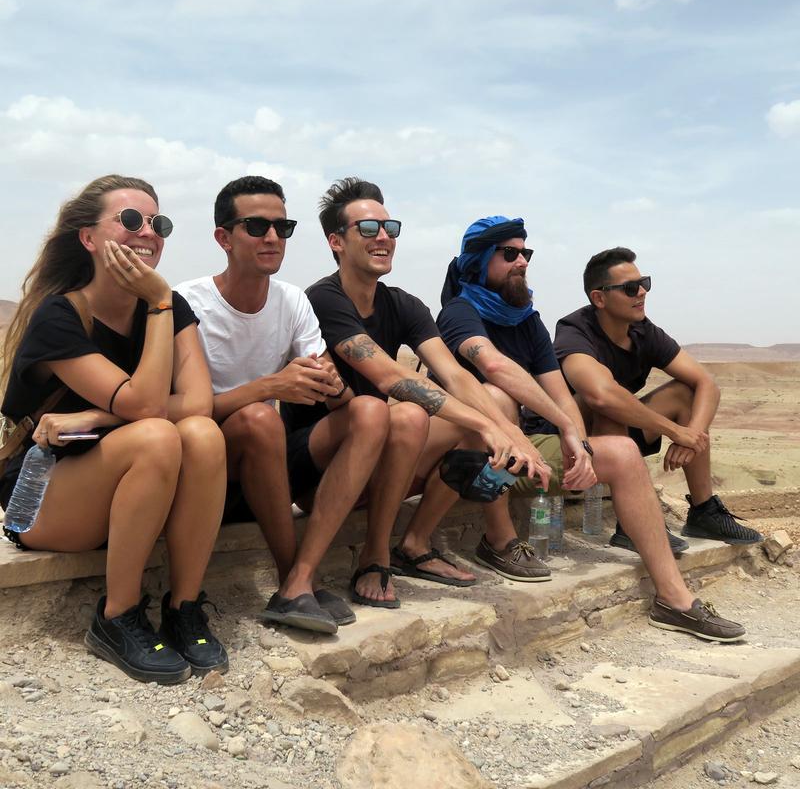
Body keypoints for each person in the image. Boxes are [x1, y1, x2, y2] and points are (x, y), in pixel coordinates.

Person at [396, 215, 745, 642]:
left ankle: (675, 600)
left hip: (515, 452)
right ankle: (499, 540)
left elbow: (560, 392)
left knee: (622, 451)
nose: (521, 261)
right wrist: (548, 429)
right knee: (497, 399)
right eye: (509, 254)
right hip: (461, 455)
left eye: (525, 252)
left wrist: (578, 442)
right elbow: (493, 365)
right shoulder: (459, 313)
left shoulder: (527, 319)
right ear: (480, 261)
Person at [0, 175, 228, 683]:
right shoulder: (60, 315)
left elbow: (199, 404)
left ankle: (183, 607)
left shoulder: (166, 309)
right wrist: (161, 302)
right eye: (129, 220)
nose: (146, 232)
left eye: (157, 223)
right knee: (158, 435)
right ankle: (116, 617)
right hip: (40, 498)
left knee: (203, 436)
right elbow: (147, 407)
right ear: (88, 238)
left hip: (123, 486)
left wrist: (98, 415)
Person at [283, 178, 548, 610]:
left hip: (377, 456)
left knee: (494, 401)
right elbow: (391, 378)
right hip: (318, 468)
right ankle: (375, 554)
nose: (383, 237)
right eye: (368, 229)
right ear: (336, 241)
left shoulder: (404, 305)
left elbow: (455, 376)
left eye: (390, 228)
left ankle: (413, 543)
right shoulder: (323, 299)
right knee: (406, 414)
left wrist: (507, 430)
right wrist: (487, 426)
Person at [177, 176, 389, 635]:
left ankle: (298, 582)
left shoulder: (291, 300)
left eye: (282, 227)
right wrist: (270, 386)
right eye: (256, 226)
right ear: (223, 238)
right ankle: (292, 574)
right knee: (258, 418)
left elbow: (332, 392)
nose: (272, 237)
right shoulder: (187, 302)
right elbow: (176, 412)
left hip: (265, 469)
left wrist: (328, 382)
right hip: (202, 466)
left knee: (372, 410)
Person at [554, 247, 761, 547]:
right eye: (629, 288)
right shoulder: (574, 332)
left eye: (644, 283)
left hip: (619, 436)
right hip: (570, 439)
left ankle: (704, 512)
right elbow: (600, 395)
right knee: (606, 400)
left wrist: (692, 436)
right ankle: (631, 525)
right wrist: (675, 431)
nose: (641, 292)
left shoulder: (643, 331)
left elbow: (706, 383)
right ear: (599, 298)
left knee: (685, 393)